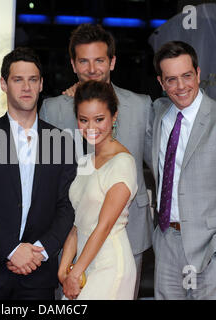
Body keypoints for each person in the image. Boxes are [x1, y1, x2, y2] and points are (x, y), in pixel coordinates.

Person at [39, 23, 153, 298]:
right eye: (84, 61)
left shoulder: (140, 106)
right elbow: (46, 178)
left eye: (99, 60)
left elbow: (157, 167)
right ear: (73, 65)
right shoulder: (55, 109)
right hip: (70, 235)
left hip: (125, 234)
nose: (92, 69)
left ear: (112, 62)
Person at [0, 47, 76, 300]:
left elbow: (67, 204)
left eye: (33, 79)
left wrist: (40, 251)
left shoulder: (60, 141)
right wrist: (11, 249)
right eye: (18, 79)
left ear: (42, 84)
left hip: (38, 273)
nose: (26, 87)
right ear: (3, 84)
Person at [151, 41, 216, 299]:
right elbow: (116, 111)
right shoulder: (158, 115)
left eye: (187, 76)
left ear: (198, 73)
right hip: (166, 244)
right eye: (171, 80)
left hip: (212, 249)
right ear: (161, 83)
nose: (181, 86)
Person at [59, 80, 137, 300]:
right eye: (84, 120)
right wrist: (64, 267)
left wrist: (75, 273)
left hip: (110, 265)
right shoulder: (85, 161)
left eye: (99, 119)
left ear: (114, 117)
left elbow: (104, 226)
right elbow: (78, 223)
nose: (91, 128)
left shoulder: (123, 162)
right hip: (82, 264)